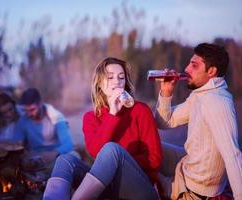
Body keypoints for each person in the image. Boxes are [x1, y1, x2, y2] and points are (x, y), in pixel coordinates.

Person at [43, 57, 162, 200]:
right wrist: (112, 114)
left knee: (112, 150)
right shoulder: (91, 117)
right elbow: (94, 151)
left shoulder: (140, 110)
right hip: (107, 186)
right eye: (110, 77)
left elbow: (154, 159)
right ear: (99, 83)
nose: (116, 81)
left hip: (139, 188)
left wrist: (119, 162)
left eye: (121, 77)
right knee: (64, 160)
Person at [155, 43, 242, 199]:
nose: (187, 68)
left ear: (211, 71)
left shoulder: (216, 101)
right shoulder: (201, 94)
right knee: (147, 145)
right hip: (187, 166)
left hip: (193, 190)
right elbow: (164, 122)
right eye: (189, 63)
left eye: (194, 65)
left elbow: (233, 156)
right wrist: (166, 92)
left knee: (142, 169)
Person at [18, 88, 74, 172]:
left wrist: (54, 153)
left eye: (32, 110)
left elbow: (68, 144)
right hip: (34, 158)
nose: (29, 114)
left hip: (55, 156)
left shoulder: (56, 117)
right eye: (26, 110)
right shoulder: (23, 120)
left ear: (40, 103)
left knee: (73, 157)